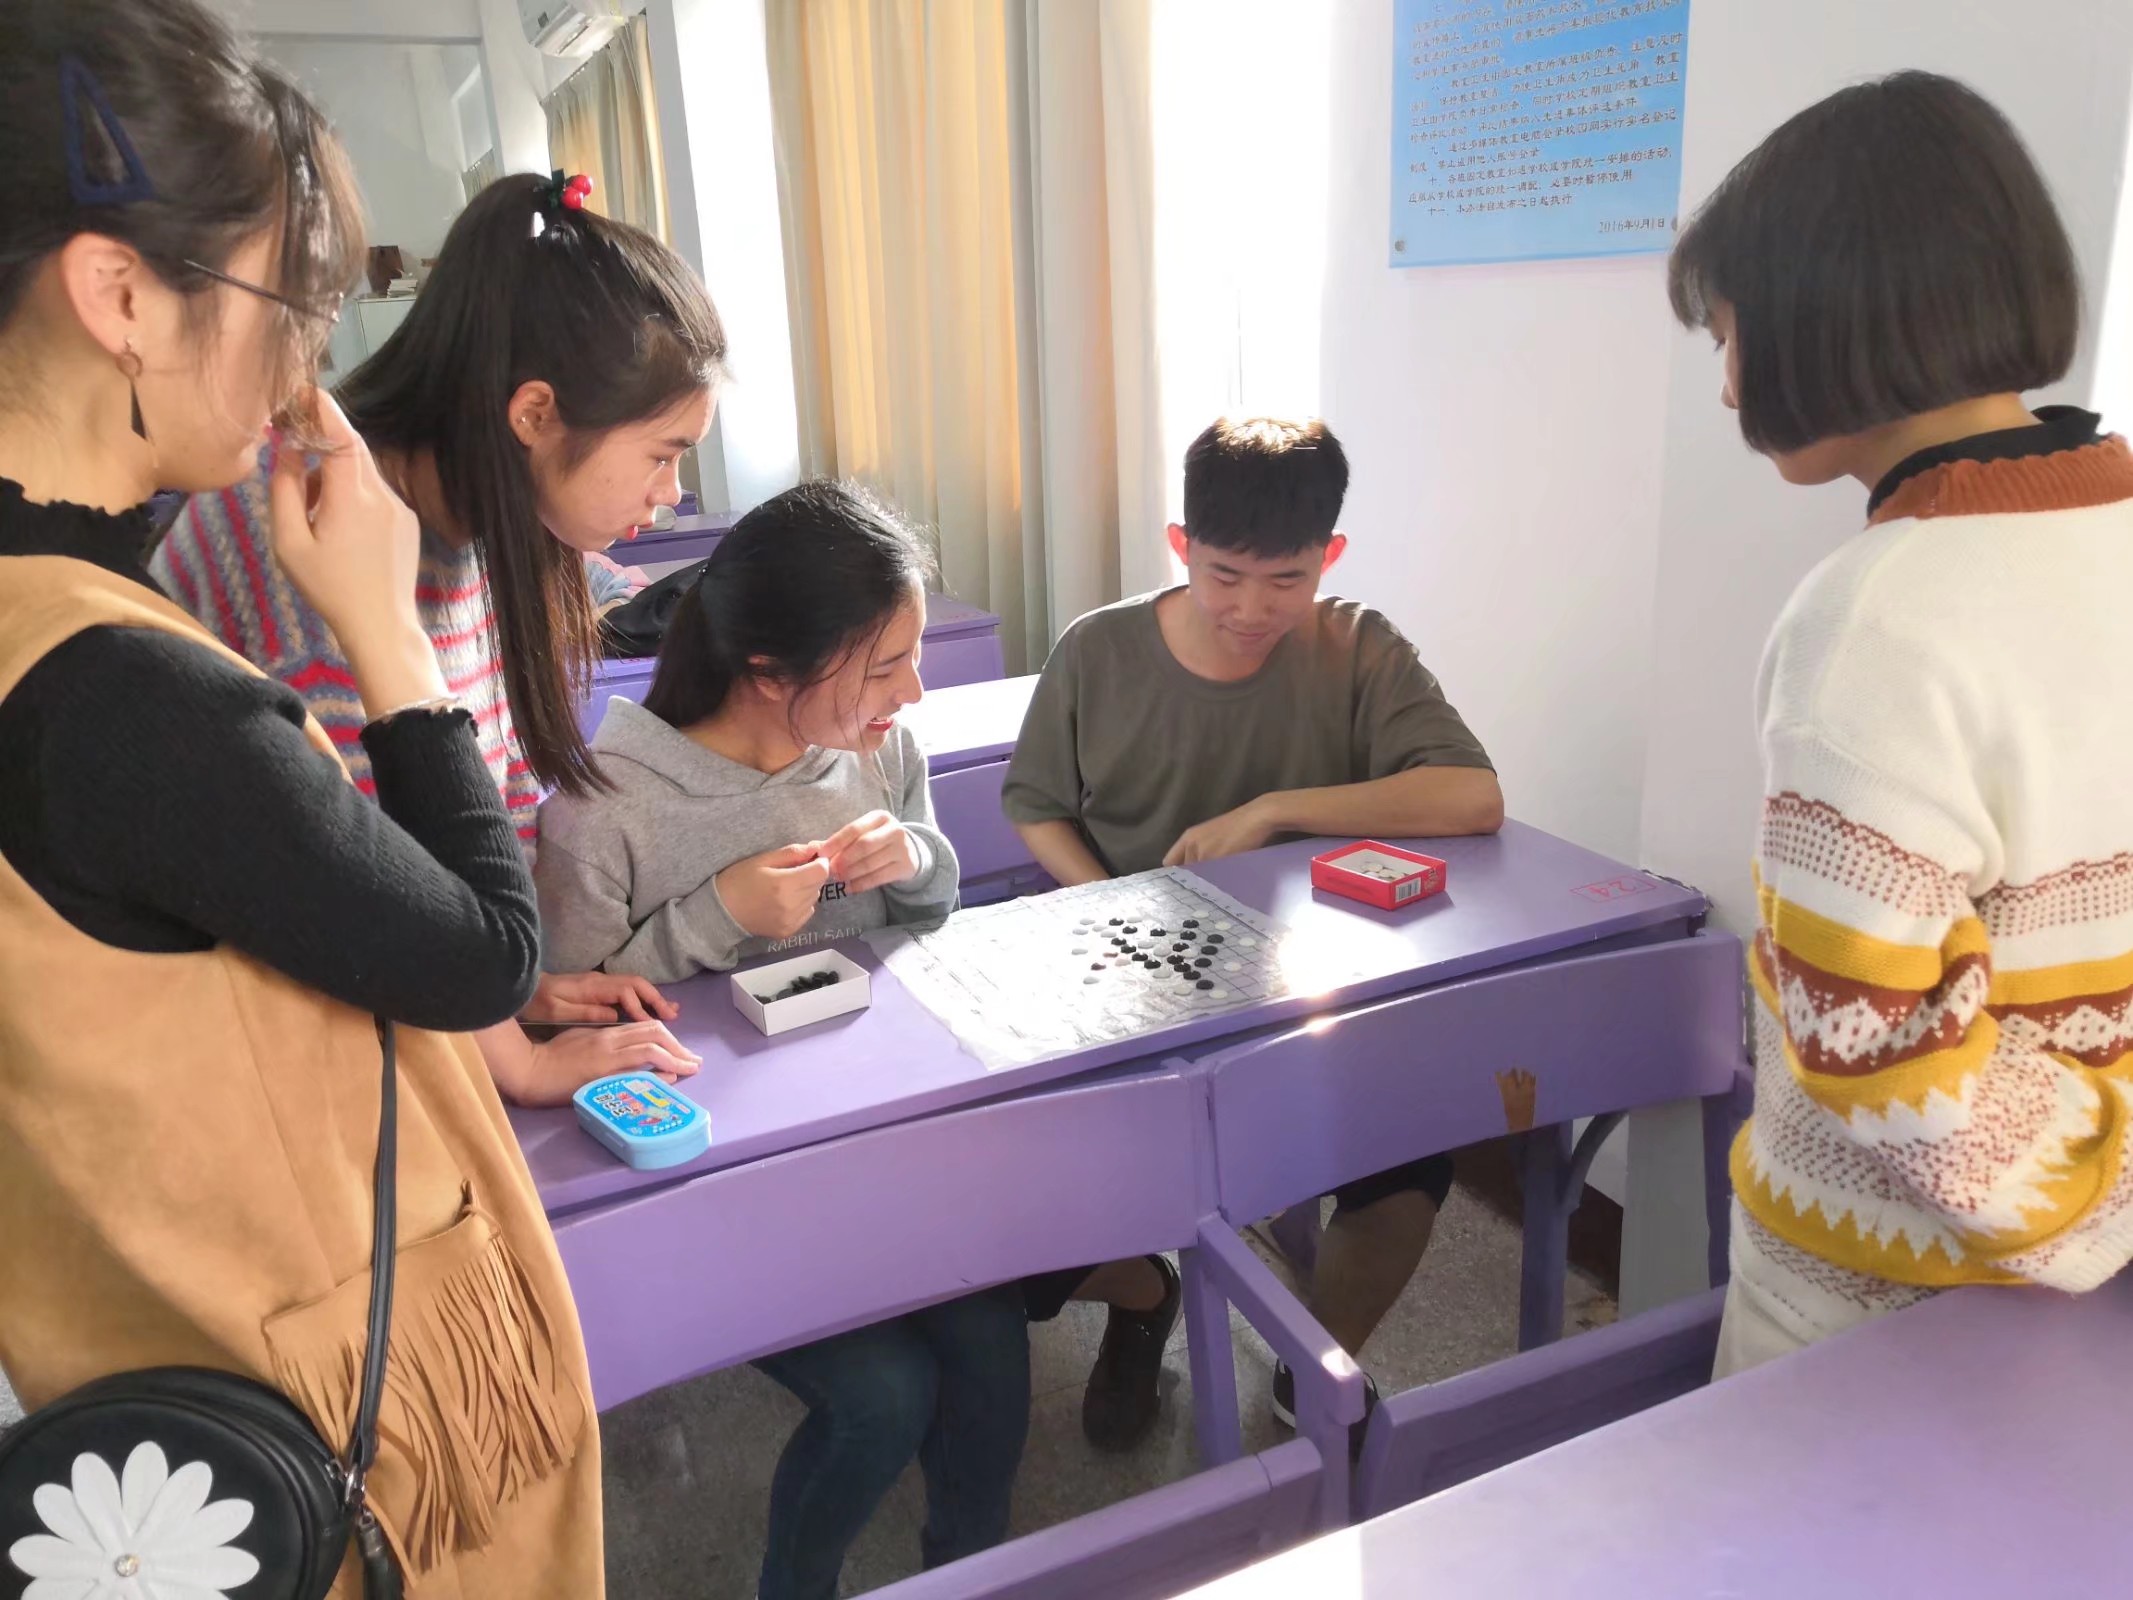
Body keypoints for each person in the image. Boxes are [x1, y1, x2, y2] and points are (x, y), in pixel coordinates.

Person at [0, 2, 603, 1592]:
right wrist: (385, 631)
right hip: (305, 1405)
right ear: (121, 296)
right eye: (288, 304)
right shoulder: (118, 691)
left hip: (128, 1355)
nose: (305, 362)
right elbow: (479, 954)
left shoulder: (63, 613)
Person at [1666, 71, 2133, 1376]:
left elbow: (1867, 1028)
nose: (1728, 390)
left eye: (1730, 335)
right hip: (2090, 1322)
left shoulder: (1874, 616)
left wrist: (2095, 1189)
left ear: (1829, 317)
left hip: (1871, 1310)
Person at [535, 481, 1026, 1600]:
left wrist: (917, 860)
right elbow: (568, 1026)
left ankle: (972, 1572)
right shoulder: (604, 809)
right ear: (767, 671)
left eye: (914, 657)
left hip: (874, 1145)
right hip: (714, 1187)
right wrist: (717, 916)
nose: (913, 691)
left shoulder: (878, 748)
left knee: (990, 1346)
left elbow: (927, 913)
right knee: (883, 1395)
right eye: (884, 666)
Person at [152, 170, 724, 1104]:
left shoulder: (479, 512)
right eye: (662, 456)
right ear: (533, 414)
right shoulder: (321, 538)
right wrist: (519, 1059)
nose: (670, 497)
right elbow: (377, 896)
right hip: (270, 1043)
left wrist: (519, 989)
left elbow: (471, 810)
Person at [1002, 416, 1503, 1445]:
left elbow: (1473, 796)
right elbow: (1036, 806)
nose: (1251, 609)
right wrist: (1109, 901)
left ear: (1330, 556)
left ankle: (1312, 1361)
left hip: (1303, 991)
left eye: (1286, 580)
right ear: (1180, 546)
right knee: (1034, 1194)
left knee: (1409, 1166)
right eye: (1224, 575)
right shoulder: (1099, 648)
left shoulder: (1356, 645)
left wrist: (1275, 809)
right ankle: (1143, 1295)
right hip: (1130, 985)